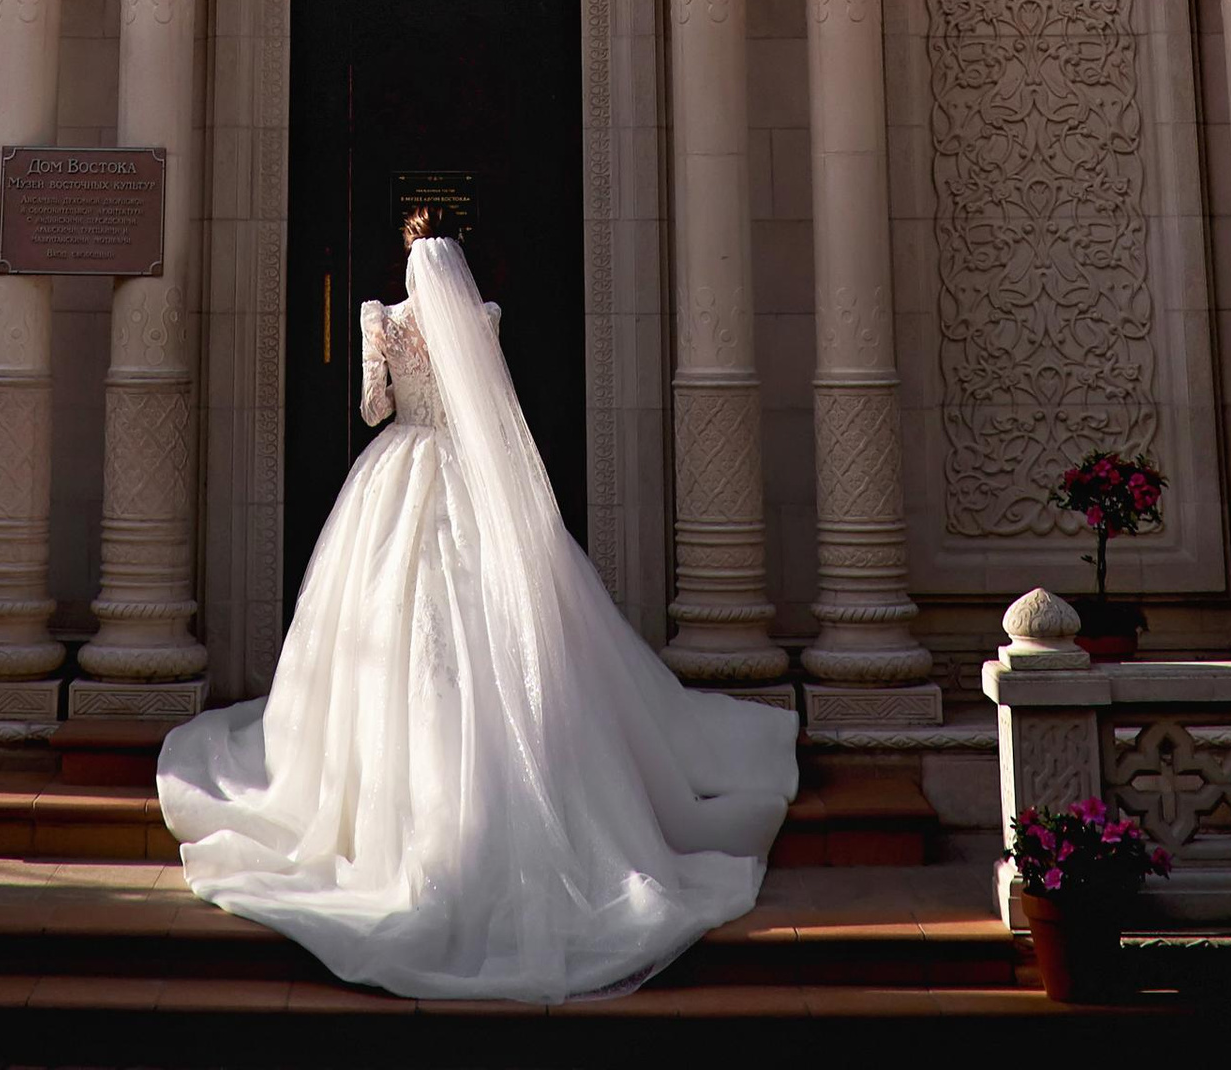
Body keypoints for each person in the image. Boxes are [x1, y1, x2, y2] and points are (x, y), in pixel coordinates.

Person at [156, 210, 797, 1000]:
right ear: (457, 258)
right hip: (473, 477)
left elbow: (373, 412)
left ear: (405, 254)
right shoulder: (484, 317)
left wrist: (382, 360)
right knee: (493, 627)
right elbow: (488, 407)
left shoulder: (381, 319)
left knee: (395, 628)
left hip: (400, 473)